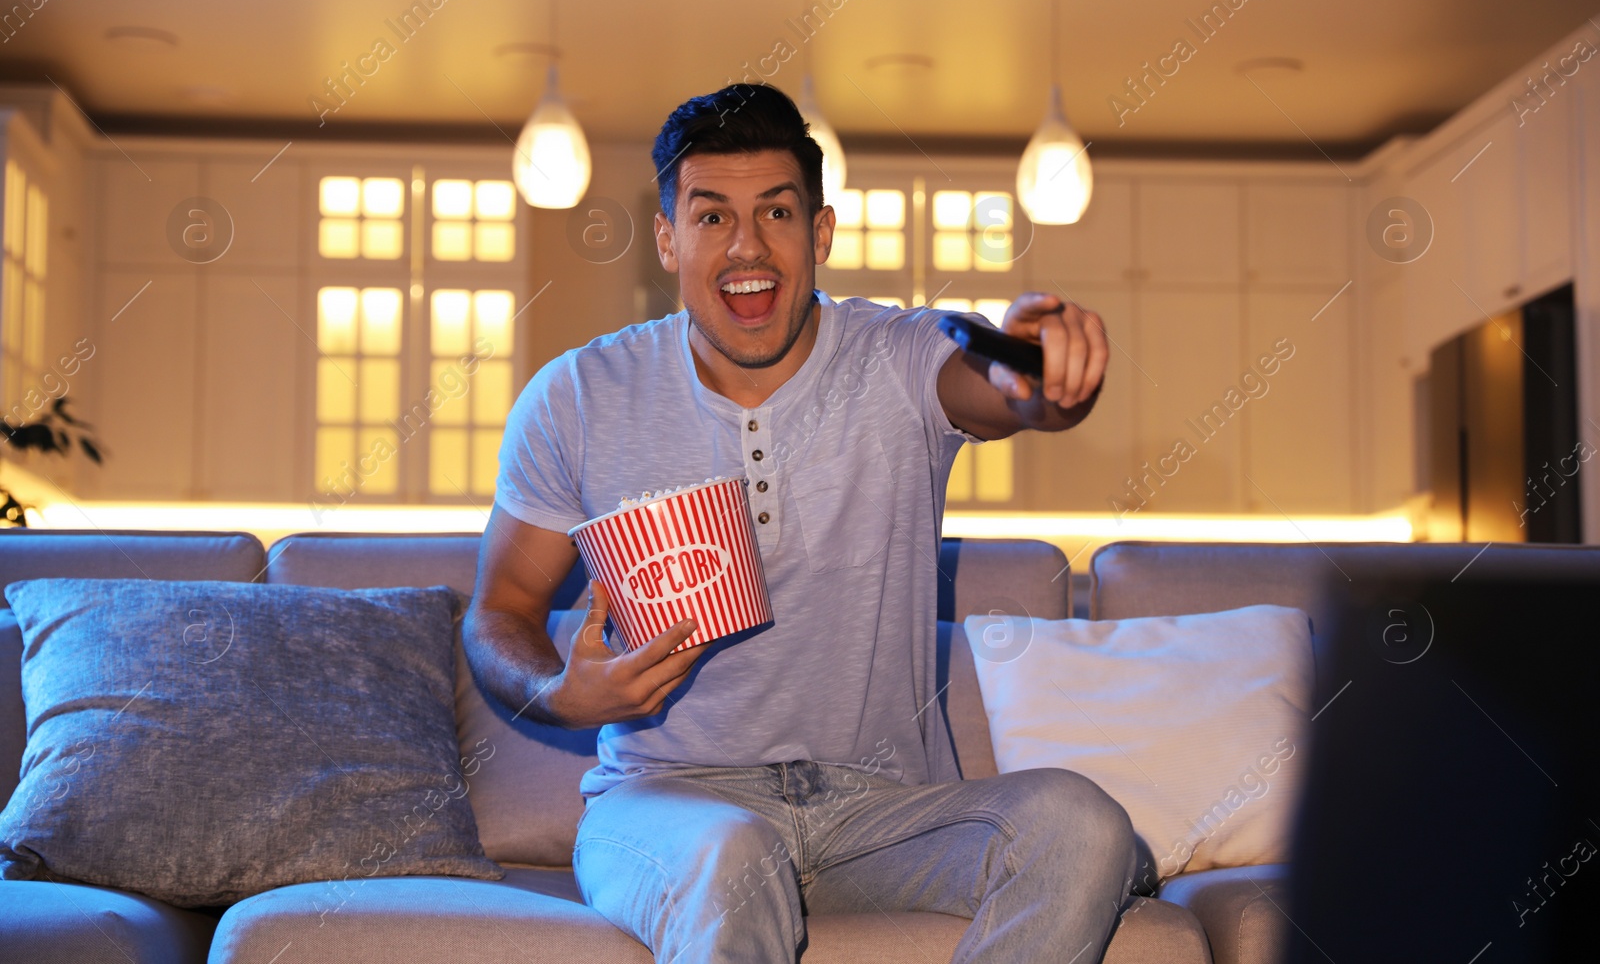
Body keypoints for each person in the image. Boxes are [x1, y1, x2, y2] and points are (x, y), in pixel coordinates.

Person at [464, 83, 1136, 963]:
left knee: (1080, 825)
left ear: (819, 233)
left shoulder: (898, 359)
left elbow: (1002, 388)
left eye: (777, 211)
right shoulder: (578, 396)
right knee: (732, 858)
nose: (748, 244)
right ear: (668, 238)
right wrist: (559, 693)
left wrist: (1041, 379)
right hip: (671, 804)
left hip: (880, 810)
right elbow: (498, 610)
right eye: (711, 217)